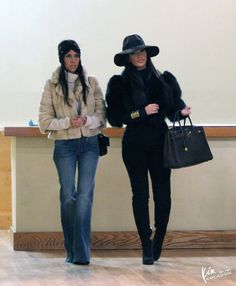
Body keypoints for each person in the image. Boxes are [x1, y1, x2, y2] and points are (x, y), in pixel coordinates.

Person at [105, 34, 191, 265]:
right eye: (134, 53)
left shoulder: (163, 79)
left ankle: (158, 240)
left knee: (163, 195)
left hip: (161, 143)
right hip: (134, 145)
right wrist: (140, 112)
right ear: (127, 58)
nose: (139, 55)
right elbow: (115, 119)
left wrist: (181, 113)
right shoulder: (119, 83)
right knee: (140, 195)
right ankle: (145, 243)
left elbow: (172, 110)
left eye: (142, 51)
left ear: (147, 54)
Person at [39, 40, 106, 265]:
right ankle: (72, 250)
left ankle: (82, 254)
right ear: (61, 58)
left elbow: (102, 116)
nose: (73, 60)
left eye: (76, 55)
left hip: (90, 145)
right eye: (68, 56)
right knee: (68, 197)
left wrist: (88, 120)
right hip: (64, 147)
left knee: (85, 197)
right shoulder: (52, 85)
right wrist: (69, 122)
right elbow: (44, 122)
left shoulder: (92, 82)